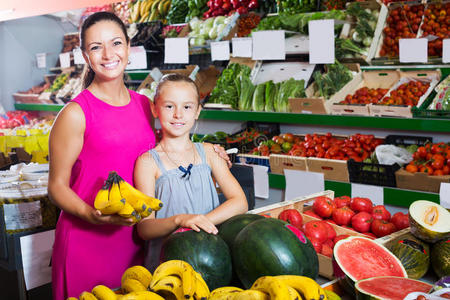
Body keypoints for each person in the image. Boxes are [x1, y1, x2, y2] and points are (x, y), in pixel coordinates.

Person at [134, 74, 248, 271]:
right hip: (166, 264)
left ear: (197, 111)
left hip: (211, 257)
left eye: (187, 107)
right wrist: (179, 220)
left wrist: (198, 223)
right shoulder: (147, 162)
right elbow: (145, 228)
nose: (178, 114)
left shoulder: (210, 152)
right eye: (169, 106)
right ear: (155, 108)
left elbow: (240, 202)